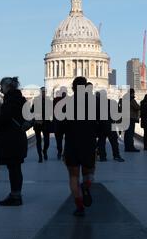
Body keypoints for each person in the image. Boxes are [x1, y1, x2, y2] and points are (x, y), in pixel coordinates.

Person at [60, 77, 99, 217]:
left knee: (73, 176)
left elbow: (59, 127)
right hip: (89, 143)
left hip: (72, 143)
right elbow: (104, 125)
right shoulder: (96, 103)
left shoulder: (66, 103)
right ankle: (87, 184)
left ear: (73, 88)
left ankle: (79, 206)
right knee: (89, 171)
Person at [0, 77, 28, 206]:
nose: (1, 89)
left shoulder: (10, 101)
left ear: (7, 87)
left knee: (13, 168)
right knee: (16, 167)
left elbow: (4, 118)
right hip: (19, 137)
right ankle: (16, 194)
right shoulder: (22, 100)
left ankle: (15, 196)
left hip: (11, 139)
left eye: (2, 87)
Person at [96, 91, 125, 162]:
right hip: (110, 124)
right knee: (114, 142)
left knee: (101, 142)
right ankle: (116, 156)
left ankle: (103, 157)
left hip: (101, 125)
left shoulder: (97, 104)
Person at [32, 87, 52, 163]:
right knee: (38, 141)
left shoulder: (49, 101)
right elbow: (32, 110)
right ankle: (40, 156)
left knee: (47, 141)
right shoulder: (36, 100)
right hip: (38, 123)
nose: (43, 93)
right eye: (42, 91)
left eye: (44, 91)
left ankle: (44, 151)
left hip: (46, 122)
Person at [53, 89, 67, 160]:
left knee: (59, 140)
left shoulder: (56, 101)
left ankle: (60, 152)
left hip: (59, 124)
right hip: (64, 124)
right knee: (65, 140)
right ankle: (62, 152)